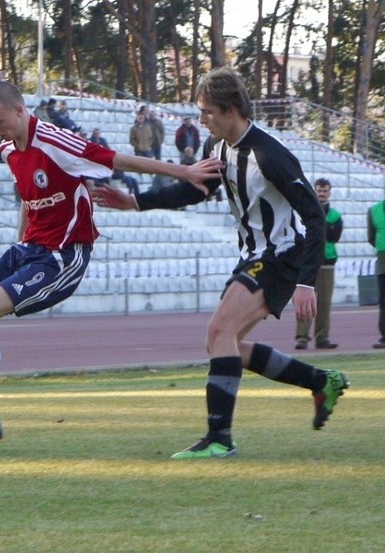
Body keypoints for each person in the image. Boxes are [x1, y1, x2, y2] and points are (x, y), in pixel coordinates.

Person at [0, 80, 222, 456]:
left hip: (63, 255)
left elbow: (116, 160)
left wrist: (185, 172)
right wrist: (20, 242)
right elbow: (28, 197)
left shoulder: (54, 141)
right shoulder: (8, 149)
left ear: (20, 111)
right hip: (29, 249)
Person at [93, 67, 350, 459]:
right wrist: (136, 201)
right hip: (255, 256)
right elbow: (194, 191)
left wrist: (305, 282)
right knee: (222, 343)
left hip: (279, 256)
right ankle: (320, 380)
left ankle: (219, 438)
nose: (201, 120)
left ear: (231, 110)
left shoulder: (270, 153)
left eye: (206, 112)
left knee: (219, 329)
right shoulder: (220, 150)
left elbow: (314, 216)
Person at [295, 178, 343, 350]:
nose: (322, 194)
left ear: (329, 192)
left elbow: (334, 236)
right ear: (314, 191)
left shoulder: (336, 215)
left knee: (324, 302)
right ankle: (302, 337)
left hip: (327, 262)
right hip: (308, 262)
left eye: (325, 191)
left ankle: (322, 337)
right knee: (305, 302)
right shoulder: (305, 211)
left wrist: (319, 230)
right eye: (319, 191)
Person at [367, 196, 385, 349]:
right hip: (383, 259)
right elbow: (371, 237)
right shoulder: (373, 210)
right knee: (384, 300)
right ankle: (384, 335)